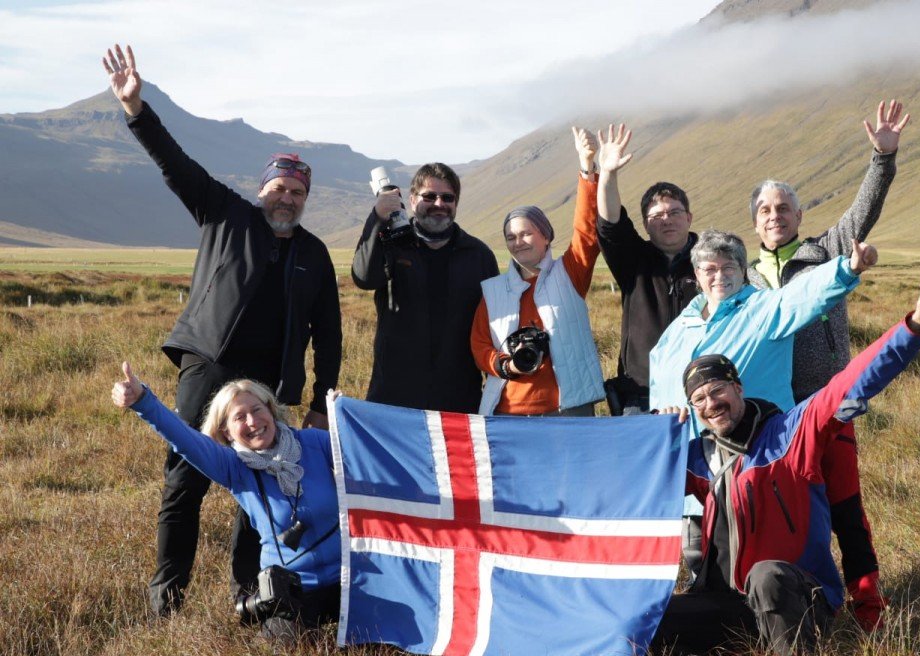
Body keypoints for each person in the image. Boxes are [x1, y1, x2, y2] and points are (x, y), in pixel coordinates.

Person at [102, 45, 342, 616]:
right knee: (186, 479)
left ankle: (250, 588)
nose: (287, 198)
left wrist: (318, 400)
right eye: (280, 188)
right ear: (263, 188)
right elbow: (173, 164)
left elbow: (328, 332)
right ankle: (168, 596)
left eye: (297, 193)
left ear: (306, 200)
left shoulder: (313, 253)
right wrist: (137, 108)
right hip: (208, 366)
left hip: (268, 383)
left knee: (257, 488)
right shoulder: (225, 212)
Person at [650, 284, 920, 656]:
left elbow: (853, 381)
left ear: (738, 388)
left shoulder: (792, 433)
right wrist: (656, 438)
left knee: (766, 576)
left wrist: (915, 328)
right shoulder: (699, 458)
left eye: (717, 391)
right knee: (648, 621)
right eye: (699, 399)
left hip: (798, 598)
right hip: (730, 604)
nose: (711, 404)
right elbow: (636, 484)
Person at [747, 99, 910, 632]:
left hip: (831, 407)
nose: (776, 216)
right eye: (766, 211)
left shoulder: (824, 252)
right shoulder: (741, 280)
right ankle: (804, 605)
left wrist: (881, 160)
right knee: (793, 516)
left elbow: (863, 213)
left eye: (784, 208)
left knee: (846, 513)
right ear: (755, 224)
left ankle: (868, 610)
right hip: (772, 421)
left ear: (798, 216)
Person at [112, 363, 341, 640]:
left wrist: (349, 418)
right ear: (226, 431)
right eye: (239, 418)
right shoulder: (234, 468)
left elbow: (367, 451)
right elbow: (185, 440)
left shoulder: (315, 442)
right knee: (284, 650)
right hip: (294, 589)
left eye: (257, 410)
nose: (253, 422)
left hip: (352, 579)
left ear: (271, 409)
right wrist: (143, 401)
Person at [648, 230, 875, 424]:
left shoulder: (763, 309)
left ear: (742, 272)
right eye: (709, 269)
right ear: (697, 274)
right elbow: (658, 381)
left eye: (728, 267)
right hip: (693, 455)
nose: (719, 276)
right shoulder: (681, 326)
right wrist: (660, 415)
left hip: (758, 446)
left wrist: (848, 269)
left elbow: (806, 293)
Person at [470, 126, 605, 416]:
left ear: (546, 236)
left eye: (526, 233)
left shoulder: (569, 273)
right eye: (511, 237)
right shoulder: (493, 291)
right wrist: (506, 364)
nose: (518, 243)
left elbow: (587, 232)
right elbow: (479, 343)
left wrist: (587, 168)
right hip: (509, 413)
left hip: (569, 409)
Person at [352, 162, 499, 412]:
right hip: (394, 396)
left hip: (460, 398)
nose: (439, 204)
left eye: (447, 197)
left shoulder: (478, 255)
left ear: (456, 203)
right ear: (411, 200)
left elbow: (495, 327)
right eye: (429, 196)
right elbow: (364, 278)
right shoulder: (392, 245)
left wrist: (495, 393)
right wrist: (377, 218)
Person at [595, 124, 699, 414]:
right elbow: (610, 224)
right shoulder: (633, 261)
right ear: (645, 224)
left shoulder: (712, 260)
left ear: (689, 217)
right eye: (656, 215)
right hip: (641, 396)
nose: (666, 219)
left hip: (702, 393)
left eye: (674, 212)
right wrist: (608, 174)